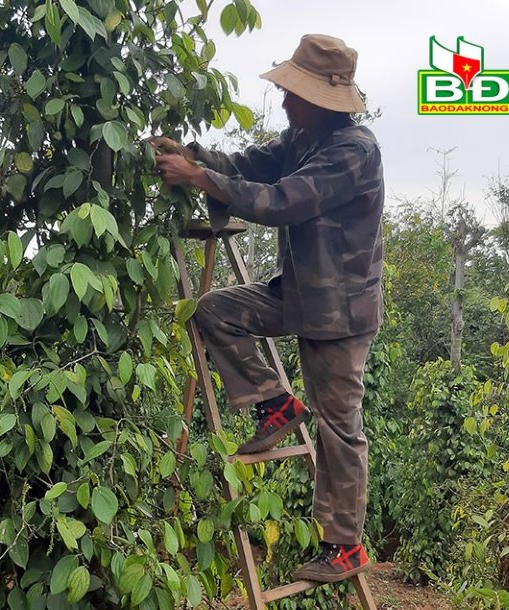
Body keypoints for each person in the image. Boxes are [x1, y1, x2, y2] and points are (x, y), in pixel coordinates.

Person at [150, 34, 384, 584]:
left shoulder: (353, 151)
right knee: (213, 311)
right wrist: (194, 156)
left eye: (292, 93)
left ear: (324, 100)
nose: (284, 102)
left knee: (339, 426)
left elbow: (284, 201)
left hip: (341, 312)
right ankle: (274, 404)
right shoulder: (300, 138)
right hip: (301, 293)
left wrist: (202, 179)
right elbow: (248, 164)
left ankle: (345, 546)